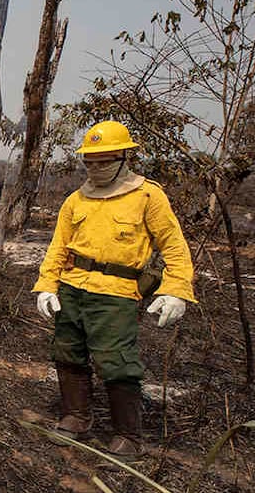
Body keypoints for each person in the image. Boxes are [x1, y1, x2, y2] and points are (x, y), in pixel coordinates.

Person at [32, 120, 196, 458]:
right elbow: (58, 247)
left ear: (124, 157)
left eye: (104, 161)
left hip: (116, 292)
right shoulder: (76, 200)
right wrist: (47, 285)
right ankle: (76, 416)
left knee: (117, 361)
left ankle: (127, 435)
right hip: (73, 286)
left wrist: (176, 290)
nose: (96, 168)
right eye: (90, 162)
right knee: (67, 352)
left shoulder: (148, 195)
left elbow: (174, 246)